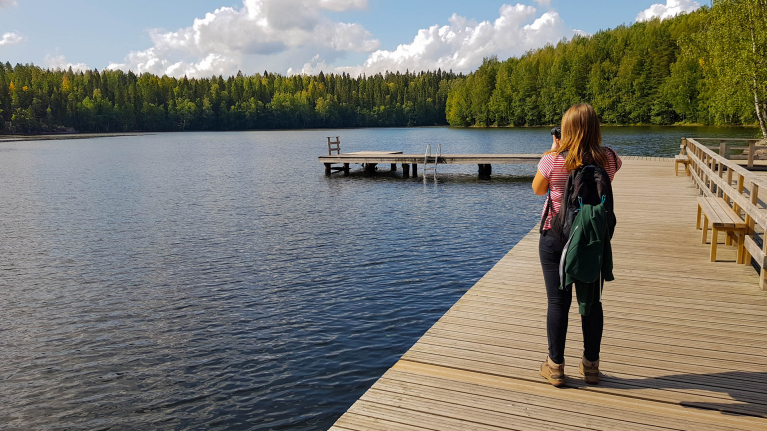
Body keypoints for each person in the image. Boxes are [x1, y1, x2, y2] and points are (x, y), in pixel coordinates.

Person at [531, 103, 622, 387]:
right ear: (596, 128)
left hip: (556, 238)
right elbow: (609, 176)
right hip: (592, 239)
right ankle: (591, 366)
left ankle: (556, 366)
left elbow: (538, 189)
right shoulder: (609, 158)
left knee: (558, 302)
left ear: (565, 129)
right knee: (592, 302)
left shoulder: (554, 160)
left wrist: (554, 150)